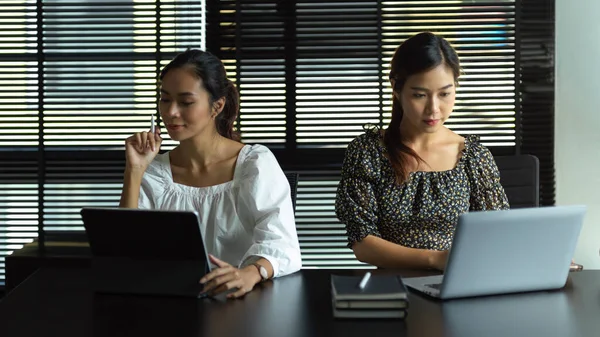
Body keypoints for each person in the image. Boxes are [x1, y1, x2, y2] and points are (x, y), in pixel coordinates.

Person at [119, 49, 302, 299]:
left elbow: (283, 245)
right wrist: (135, 170)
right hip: (171, 302)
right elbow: (124, 251)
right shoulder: (155, 172)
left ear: (216, 106)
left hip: (242, 301)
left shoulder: (254, 164)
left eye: (186, 102)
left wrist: (250, 273)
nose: (171, 112)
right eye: (165, 99)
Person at [334, 32, 510, 271]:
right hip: (394, 287)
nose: (434, 109)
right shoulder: (368, 152)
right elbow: (362, 243)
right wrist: (435, 259)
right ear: (396, 88)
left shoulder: (473, 156)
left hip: (460, 282)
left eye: (445, 94)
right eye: (419, 95)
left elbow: (499, 233)